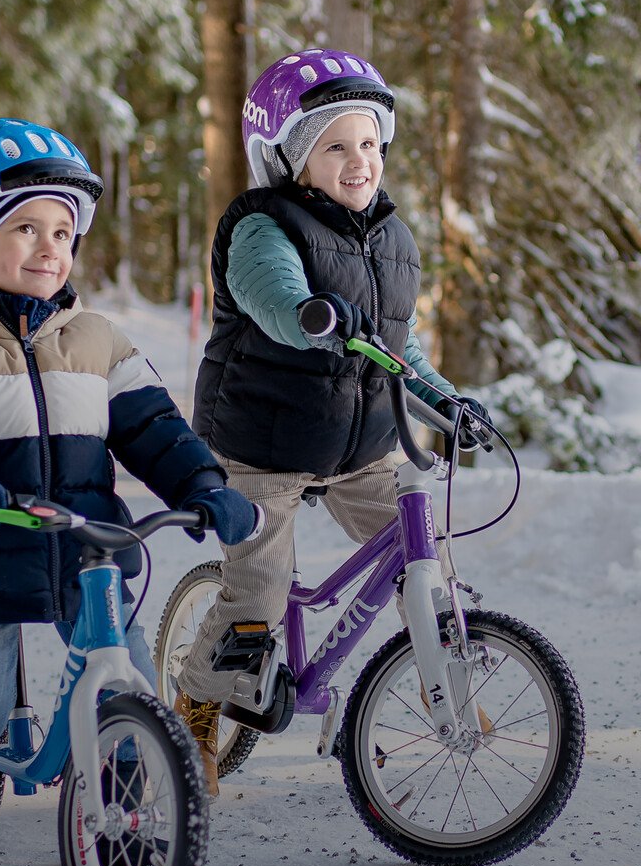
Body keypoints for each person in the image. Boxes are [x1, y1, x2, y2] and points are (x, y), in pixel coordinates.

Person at [0, 118, 257, 866]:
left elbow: (155, 429)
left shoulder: (96, 339)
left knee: (133, 685)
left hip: (84, 549)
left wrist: (204, 487)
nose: (50, 248)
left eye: (64, 232)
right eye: (26, 228)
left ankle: (128, 830)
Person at [176, 50, 489, 795]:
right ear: (291, 157)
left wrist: (447, 402)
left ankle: (437, 672)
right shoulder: (259, 226)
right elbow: (275, 299)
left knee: (426, 556)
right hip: (262, 443)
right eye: (337, 145)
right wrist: (310, 315)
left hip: (357, 445)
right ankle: (192, 705)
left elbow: (398, 344)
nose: (361, 161)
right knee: (258, 586)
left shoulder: (393, 241)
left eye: (372, 144)